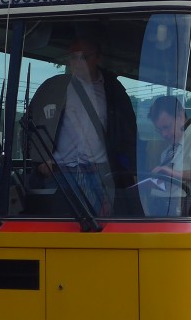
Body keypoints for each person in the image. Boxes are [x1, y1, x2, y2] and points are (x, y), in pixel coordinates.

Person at [24, 34, 138, 215]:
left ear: (98, 58)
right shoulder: (54, 88)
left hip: (101, 172)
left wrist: (129, 169)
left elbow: (127, 131)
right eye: (73, 57)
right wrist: (39, 159)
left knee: (98, 227)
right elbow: (29, 123)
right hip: (60, 172)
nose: (78, 62)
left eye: (84, 57)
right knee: (60, 228)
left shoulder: (112, 90)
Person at [147, 95, 191, 214]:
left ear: (181, 116)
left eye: (166, 127)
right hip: (166, 213)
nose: (164, 134)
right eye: (159, 130)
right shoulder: (167, 152)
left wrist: (176, 174)